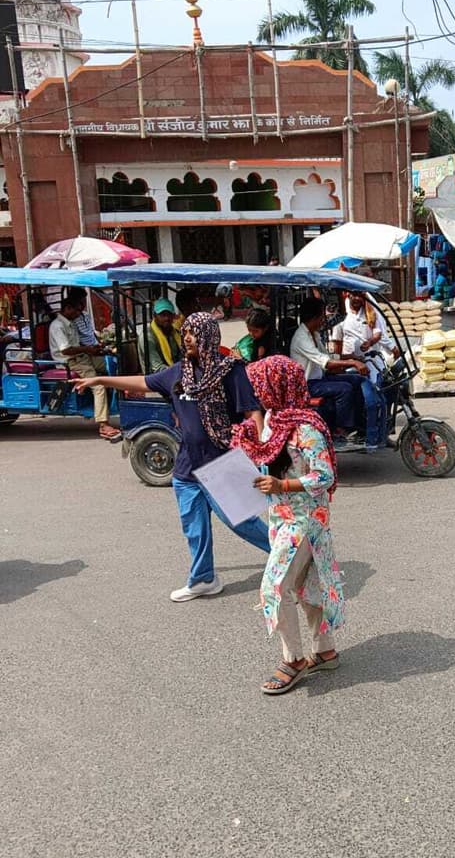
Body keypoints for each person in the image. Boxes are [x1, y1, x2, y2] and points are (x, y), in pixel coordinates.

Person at [73, 312, 271, 600]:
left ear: (209, 336)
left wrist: (262, 451)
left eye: (194, 333)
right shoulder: (178, 373)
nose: (187, 338)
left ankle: (288, 555)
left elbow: (252, 412)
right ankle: (204, 579)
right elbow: (142, 382)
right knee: (195, 528)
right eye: (185, 332)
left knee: (242, 522)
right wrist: (100, 379)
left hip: (221, 463)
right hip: (187, 467)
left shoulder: (230, 371)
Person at [232, 356, 344, 696]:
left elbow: (324, 476)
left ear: (277, 386)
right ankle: (325, 651)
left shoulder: (306, 427)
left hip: (305, 521)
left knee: (274, 587)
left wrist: (283, 485)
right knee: (305, 584)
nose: (256, 392)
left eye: (260, 386)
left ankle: (293, 660)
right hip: (281, 517)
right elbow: (269, 458)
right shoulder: (273, 419)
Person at [290, 296, 367, 444]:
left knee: (357, 380)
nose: (323, 320)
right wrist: (352, 362)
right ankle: (340, 430)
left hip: (320, 378)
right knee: (344, 389)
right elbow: (325, 362)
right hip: (308, 384)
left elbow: (327, 356)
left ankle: (359, 424)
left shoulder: (314, 334)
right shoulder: (301, 338)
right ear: (314, 317)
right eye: (322, 317)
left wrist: (351, 357)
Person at [48, 297, 122, 441]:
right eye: (77, 311)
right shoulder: (57, 326)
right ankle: (103, 424)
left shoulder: (70, 323)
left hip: (83, 357)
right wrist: (87, 349)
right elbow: (66, 350)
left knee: (113, 364)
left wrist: (94, 349)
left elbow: (77, 344)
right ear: (68, 309)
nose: (79, 314)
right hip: (72, 362)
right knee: (99, 386)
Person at [331, 290, 389, 452]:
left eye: (359, 296)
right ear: (347, 295)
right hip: (351, 367)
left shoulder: (370, 313)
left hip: (370, 364)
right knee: (370, 402)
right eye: (353, 295)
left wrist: (369, 342)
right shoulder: (343, 317)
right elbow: (337, 351)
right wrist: (351, 359)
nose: (356, 299)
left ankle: (378, 436)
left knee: (378, 401)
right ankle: (369, 439)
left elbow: (378, 333)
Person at [138, 298, 181, 373]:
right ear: (154, 316)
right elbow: (158, 368)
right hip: (156, 376)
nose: (166, 318)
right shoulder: (148, 337)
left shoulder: (174, 332)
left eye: (169, 314)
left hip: (175, 371)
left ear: (173, 316)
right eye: (162, 315)